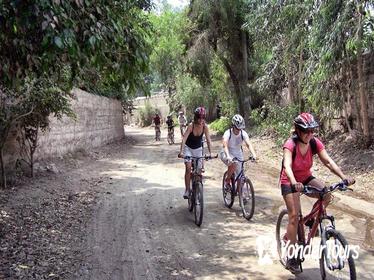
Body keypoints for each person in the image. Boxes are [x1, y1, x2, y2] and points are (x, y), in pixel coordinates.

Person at [280, 112, 354, 273]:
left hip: (305, 177)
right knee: (293, 216)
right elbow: (287, 165)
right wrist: (294, 183)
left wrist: (343, 177)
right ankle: (291, 256)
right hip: (290, 181)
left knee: (327, 194)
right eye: (306, 131)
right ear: (298, 131)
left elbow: (327, 161)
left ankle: (310, 220)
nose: (310, 134)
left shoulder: (314, 143)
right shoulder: (290, 144)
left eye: (312, 131)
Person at [178, 107, 212, 199]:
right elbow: (184, 138)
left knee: (199, 170)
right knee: (188, 168)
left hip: (198, 149)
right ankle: (187, 190)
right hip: (188, 148)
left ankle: (197, 187)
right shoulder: (191, 126)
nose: (201, 120)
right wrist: (181, 151)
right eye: (199, 118)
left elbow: (208, 140)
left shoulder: (205, 127)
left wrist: (210, 153)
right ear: (195, 117)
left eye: (203, 118)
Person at [220, 114, 257, 188]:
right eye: (238, 128)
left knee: (240, 175)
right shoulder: (228, 133)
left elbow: (248, 144)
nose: (239, 130)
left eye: (241, 128)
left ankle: (241, 194)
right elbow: (225, 145)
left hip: (238, 153)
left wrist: (254, 154)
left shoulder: (243, 133)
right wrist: (228, 156)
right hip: (226, 152)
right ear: (233, 126)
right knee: (233, 164)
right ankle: (227, 180)